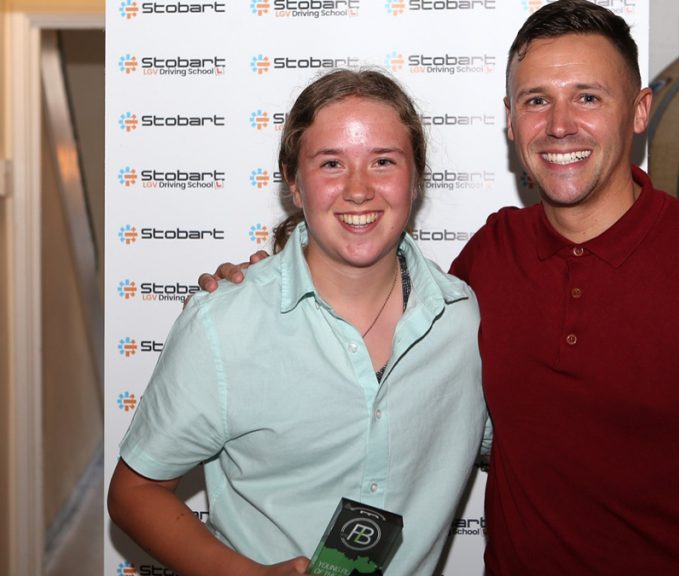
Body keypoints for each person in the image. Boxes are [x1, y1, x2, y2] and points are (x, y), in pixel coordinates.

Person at [201, 2, 679, 573]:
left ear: (639, 112)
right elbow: (376, 327)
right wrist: (259, 285)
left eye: (588, 97)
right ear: (511, 122)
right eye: (536, 100)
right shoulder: (491, 256)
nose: (560, 124)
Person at [107, 69, 489, 576]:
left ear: (415, 177)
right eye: (331, 163)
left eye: (383, 161)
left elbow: (523, 447)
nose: (358, 189)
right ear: (293, 182)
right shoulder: (225, 324)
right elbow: (134, 492)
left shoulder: (466, 323)